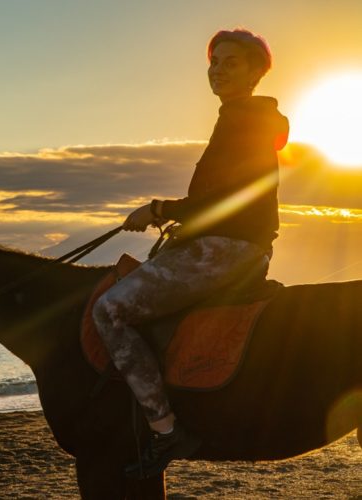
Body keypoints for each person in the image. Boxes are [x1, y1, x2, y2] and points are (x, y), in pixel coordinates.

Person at [92, 28, 289, 476]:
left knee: (109, 311)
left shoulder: (244, 119)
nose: (218, 69)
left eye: (231, 62)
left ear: (256, 72)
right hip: (226, 243)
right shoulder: (241, 118)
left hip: (227, 249)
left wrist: (159, 208)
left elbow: (228, 198)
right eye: (214, 61)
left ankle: (165, 430)